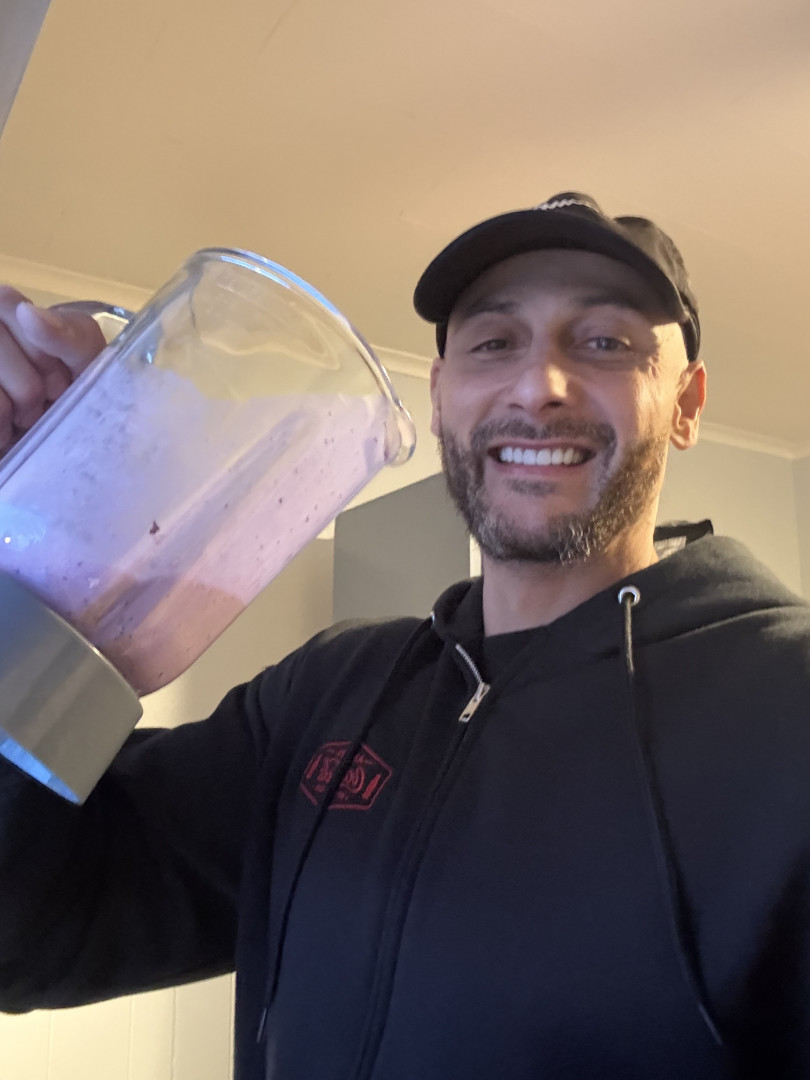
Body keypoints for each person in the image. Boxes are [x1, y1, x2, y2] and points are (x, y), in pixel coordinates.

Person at [0, 192, 809, 1080]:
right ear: (439, 398)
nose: (538, 386)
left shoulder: (787, 705)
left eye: (605, 342)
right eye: (493, 342)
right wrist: (44, 550)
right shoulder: (326, 696)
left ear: (687, 403)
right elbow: (28, 936)